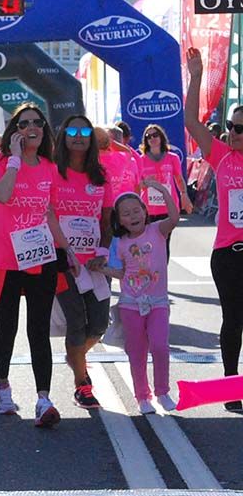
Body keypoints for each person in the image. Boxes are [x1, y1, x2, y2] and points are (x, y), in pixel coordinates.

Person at [0, 103, 70, 428]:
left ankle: (43, 398)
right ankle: (3, 384)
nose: (31, 127)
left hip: (39, 259)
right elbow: (4, 196)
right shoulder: (0, 163)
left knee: (39, 331)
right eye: (24, 124)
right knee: (6, 330)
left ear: (44, 129)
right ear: (15, 130)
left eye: (37, 122)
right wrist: (16, 162)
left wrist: (67, 249)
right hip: (4, 262)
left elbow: (49, 212)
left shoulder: (50, 167)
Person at [184, 47, 243, 413]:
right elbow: (191, 122)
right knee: (233, 319)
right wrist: (195, 77)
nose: (236, 133)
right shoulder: (222, 156)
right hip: (228, 254)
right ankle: (231, 386)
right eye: (234, 127)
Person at [51, 115, 113, 411]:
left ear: (91, 138)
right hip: (63, 263)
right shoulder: (52, 172)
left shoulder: (100, 175)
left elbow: (107, 219)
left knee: (98, 324)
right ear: (63, 136)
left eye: (84, 131)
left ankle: (75, 355)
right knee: (76, 321)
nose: (78, 136)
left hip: (94, 266)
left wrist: (103, 250)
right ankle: (82, 384)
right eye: (71, 130)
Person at [104, 186, 178, 414]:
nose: (133, 216)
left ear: (145, 212)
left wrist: (162, 190)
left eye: (136, 211)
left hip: (158, 303)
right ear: (119, 220)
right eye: (126, 214)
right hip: (130, 304)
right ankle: (142, 397)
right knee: (136, 351)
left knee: (160, 346)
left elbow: (174, 217)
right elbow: (122, 272)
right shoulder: (120, 242)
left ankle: (162, 392)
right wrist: (102, 269)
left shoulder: (158, 230)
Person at [139, 124, 191, 256]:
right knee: (150, 243)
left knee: (164, 243)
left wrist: (184, 195)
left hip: (168, 207)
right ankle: (151, 273)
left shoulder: (172, 157)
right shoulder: (141, 160)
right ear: (146, 141)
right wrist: (145, 183)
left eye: (155, 135)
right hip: (149, 208)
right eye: (148, 136)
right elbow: (137, 185)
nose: (152, 138)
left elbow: (179, 179)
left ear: (161, 137)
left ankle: (162, 273)